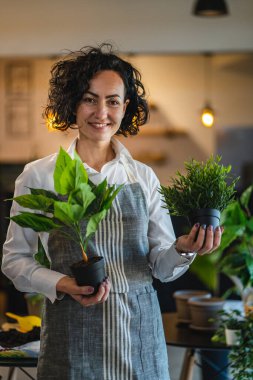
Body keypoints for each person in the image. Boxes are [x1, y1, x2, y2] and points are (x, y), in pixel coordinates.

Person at [2, 44, 222, 380]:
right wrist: (62, 283)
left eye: (113, 100)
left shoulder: (142, 176)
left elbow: (161, 268)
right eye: (89, 98)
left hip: (139, 334)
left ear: (126, 107)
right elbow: (14, 261)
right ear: (73, 102)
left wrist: (182, 249)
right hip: (72, 333)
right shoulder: (39, 175)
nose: (101, 111)